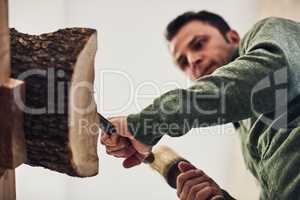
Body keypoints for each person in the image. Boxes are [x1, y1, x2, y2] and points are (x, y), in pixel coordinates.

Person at [100, 10, 300, 199]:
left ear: (232, 37)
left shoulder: (268, 30)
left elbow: (272, 74)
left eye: (198, 44)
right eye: (183, 63)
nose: (193, 60)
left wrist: (147, 123)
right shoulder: (245, 132)